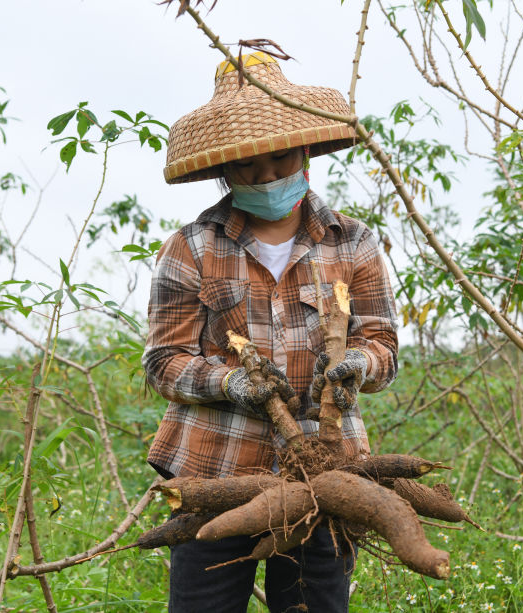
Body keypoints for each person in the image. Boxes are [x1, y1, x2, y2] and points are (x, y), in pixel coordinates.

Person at [142, 51, 399, 613]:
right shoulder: (192, 247)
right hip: (215, 471)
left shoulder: (352, 243)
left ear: (305, 152)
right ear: (223, 170)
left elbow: (383, 349)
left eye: (279, 159)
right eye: (248, 166)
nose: (266, 176)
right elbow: (164, 362)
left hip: (326, 475)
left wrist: (359, 364)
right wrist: (231, 383)